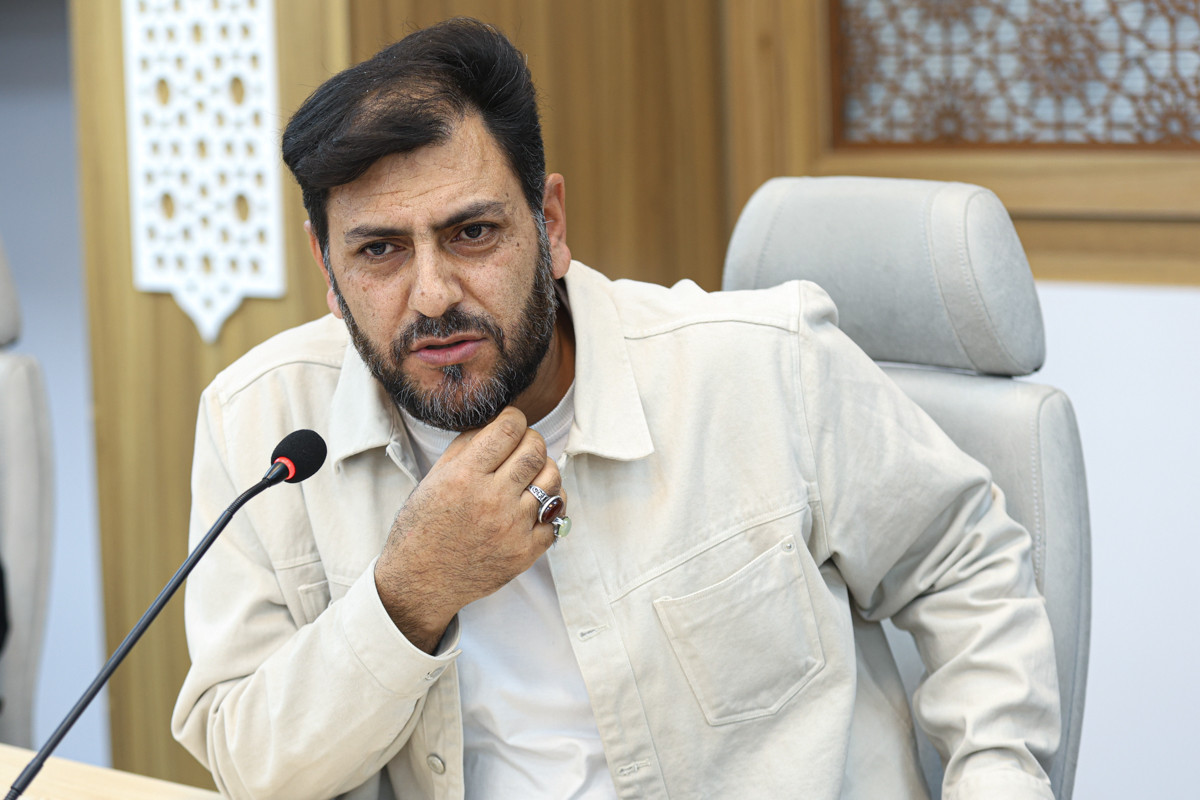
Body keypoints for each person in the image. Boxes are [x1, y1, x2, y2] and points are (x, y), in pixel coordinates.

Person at [172, 17, 1061, 800]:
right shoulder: (264, 428)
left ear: (550, 224)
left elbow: (963, 564)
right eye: (379, 251)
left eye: (472, 233)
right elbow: (252, 767)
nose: (433, 294)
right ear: (328, 271)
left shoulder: (759, 365)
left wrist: (998, 780)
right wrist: (409, 590)